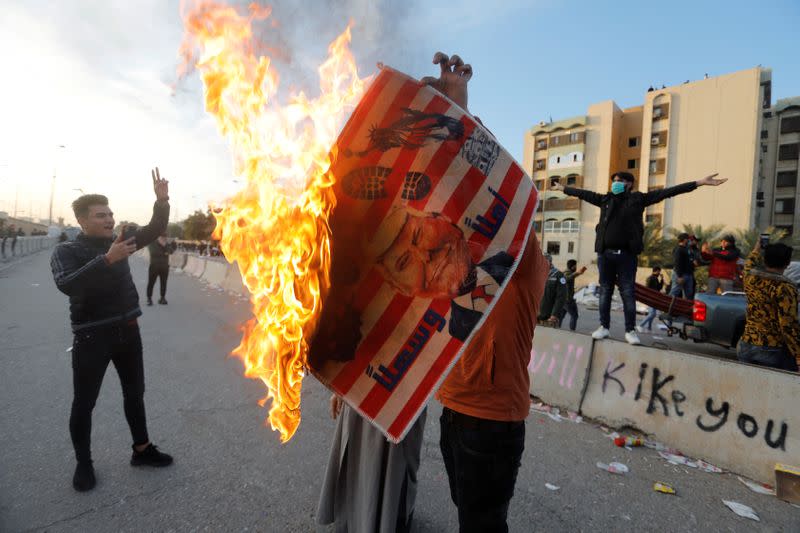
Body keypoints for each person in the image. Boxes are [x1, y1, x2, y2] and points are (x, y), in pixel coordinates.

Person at [424, 51, 549, 533]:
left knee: (482, 524)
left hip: (492, 421)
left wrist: (463, 112)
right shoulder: (465, 255)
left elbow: (495, 183)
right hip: (453, 406)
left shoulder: (524, 261)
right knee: (467, 512)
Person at [50, 169, 174, 492]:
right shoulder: (67, 252)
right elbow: (68, 285)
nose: (109, 220)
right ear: (81, 220)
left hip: (128, 332)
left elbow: (156, 228)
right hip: (92, 337)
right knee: (84, 402)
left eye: (110, 214)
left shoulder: (122, 240)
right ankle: (84, 463)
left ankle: (142, 450)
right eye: (100, 215)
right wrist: (106, 260)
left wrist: (162, 201)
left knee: (135, 395)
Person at [551, 171, 727, 345]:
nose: (615, 184)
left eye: (619, 181)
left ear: (629, 184)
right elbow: (583, 194)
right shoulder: (605, 199)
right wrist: (563, 188)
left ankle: (630, 331)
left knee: (628, 292)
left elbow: (669, 192)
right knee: (605, 291)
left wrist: (699, 182)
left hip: (627, 256)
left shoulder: (639, 199)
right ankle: (604, 327)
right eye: (614, 181)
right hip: (605, 255)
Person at [317, 395, 426, 533]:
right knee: (357, 459)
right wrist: (340, 388)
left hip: (401, 399)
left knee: (393, 469)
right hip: (361, 392)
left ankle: (388, 519)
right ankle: (358, 517)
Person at [737, 241, 800, 371]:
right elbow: (788, 326)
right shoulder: (785, 288)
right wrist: (798, 354)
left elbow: (748, 264)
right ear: (787, 263)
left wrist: (756, 249)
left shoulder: (750, 279)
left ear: (765, 261)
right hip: (771, 349)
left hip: (746, 344)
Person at [537, 253, 567, 327]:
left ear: (549, 262)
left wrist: (555, 314)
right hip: (535, 318)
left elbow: (561, 297)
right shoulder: (537, 273)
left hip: (549, 319)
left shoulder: (558, 275)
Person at [558, 259, 586, 331]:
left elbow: (570, 278)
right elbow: (567, 278)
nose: (576, 267)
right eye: (575, 266)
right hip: (568, 300)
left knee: (561, 316)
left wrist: (578, 273)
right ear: (573, 266)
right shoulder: (566, 273)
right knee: (574, 315)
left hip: (564, 299)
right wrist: (577, 273)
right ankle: (572, 331)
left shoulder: (567, 272)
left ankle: (557, 328)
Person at [636, 266, 664, 332]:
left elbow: (659, 288)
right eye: (659, 271)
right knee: (652, 314)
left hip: (654, 298)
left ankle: (649, 328)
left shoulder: (656, 278)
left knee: (652, 314)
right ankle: (640, 325)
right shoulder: (650, 278)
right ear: (656, 271)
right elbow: (647, 289)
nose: (659, 273)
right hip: (651, 298)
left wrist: (662, 280)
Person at [146, 232, 171, 305]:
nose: (164, 238)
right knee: (151, 282)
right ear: (158, 237)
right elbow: (153, 252)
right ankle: (149, 298)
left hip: (164, 267)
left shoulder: (166, 244)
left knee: (164, 283)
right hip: (154, 266)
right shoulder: (152, 243)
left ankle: (162, 298)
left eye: (165, 237)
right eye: (162, 236)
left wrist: (165, 246)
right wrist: (165, 252)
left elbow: (171, 251)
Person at [670, 233, 694, 300]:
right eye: (688, 239)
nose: (689, 240)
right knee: (674, 292)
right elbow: (677, 263)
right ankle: (667, 308)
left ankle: (685, 309)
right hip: (681, 275)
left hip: (688, 274)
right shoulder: (678, 249)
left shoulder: (687, 249)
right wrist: (680, 276)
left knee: (689, 294)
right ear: (684, 240)